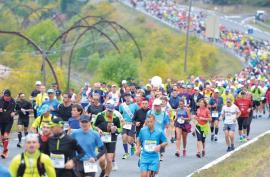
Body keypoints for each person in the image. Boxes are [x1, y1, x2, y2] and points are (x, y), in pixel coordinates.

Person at [94, 103, 122, 177]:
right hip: (102, 139)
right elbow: (93, 125)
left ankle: (107, 175)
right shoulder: (100, 115)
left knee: (109, 160)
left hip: (112, 139)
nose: (110, 112)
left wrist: (115, 130)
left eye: (111, 111)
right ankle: (103, 170)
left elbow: (120, 129)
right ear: (106, 109)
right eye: (108, 111)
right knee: (101, 160)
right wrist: (98, 129)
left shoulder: (116, 117)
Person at [119, 93, 139, 159]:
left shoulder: (135, 105)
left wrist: (137, 121)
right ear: (124, 98)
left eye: (129, 96)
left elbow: (138, 113)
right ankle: (126, 153)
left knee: (130, 140)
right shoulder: (122, 105)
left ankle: (133, 145)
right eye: (126, 96)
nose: (127, 98)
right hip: (125, 124)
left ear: (130, 97)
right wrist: (121, 121)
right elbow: (120, 114)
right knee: (124, 137)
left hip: (132, 124)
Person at [0, 89, 16, 158]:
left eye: (8, 97)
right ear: (3, 95)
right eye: (5, 97)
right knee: (3, 137)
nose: (6, 98)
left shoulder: (13, 101)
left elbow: (18, 109)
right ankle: (5, 149)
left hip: (9, 121)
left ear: (10, 96)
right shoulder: (0, 100)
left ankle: (5, 151)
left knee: (6, 135)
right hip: (1, 120)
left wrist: (14, 113)